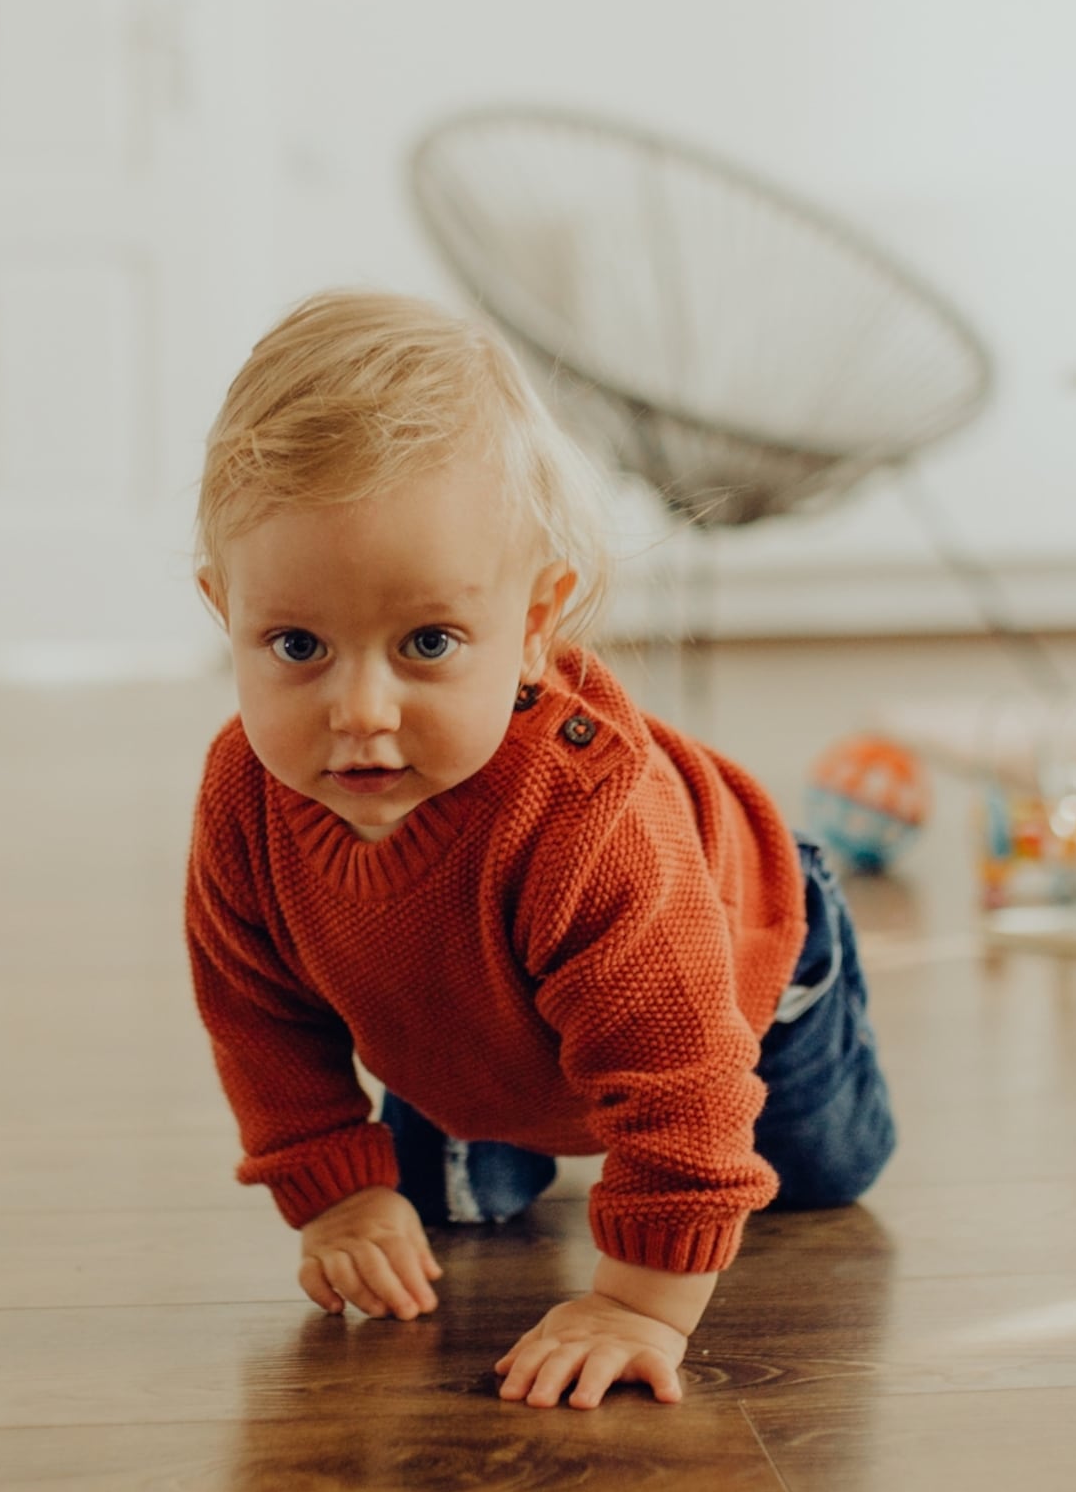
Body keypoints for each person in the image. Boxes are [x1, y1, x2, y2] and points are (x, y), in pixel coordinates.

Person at [184, 291, 895, 1411]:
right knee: (440, 1206)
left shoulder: (588, 822)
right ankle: (503, 1125)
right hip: (475, 1019)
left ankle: (757, 1046)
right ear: (224, 612)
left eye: (427, 642)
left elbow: (683, 1085)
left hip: (739, 969)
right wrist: (334, 1192)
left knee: (809, 1179)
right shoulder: (244, 793)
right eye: (296, 644)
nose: (358, 708)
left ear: (533, 626)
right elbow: (257, 1010)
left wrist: (636, 1303)